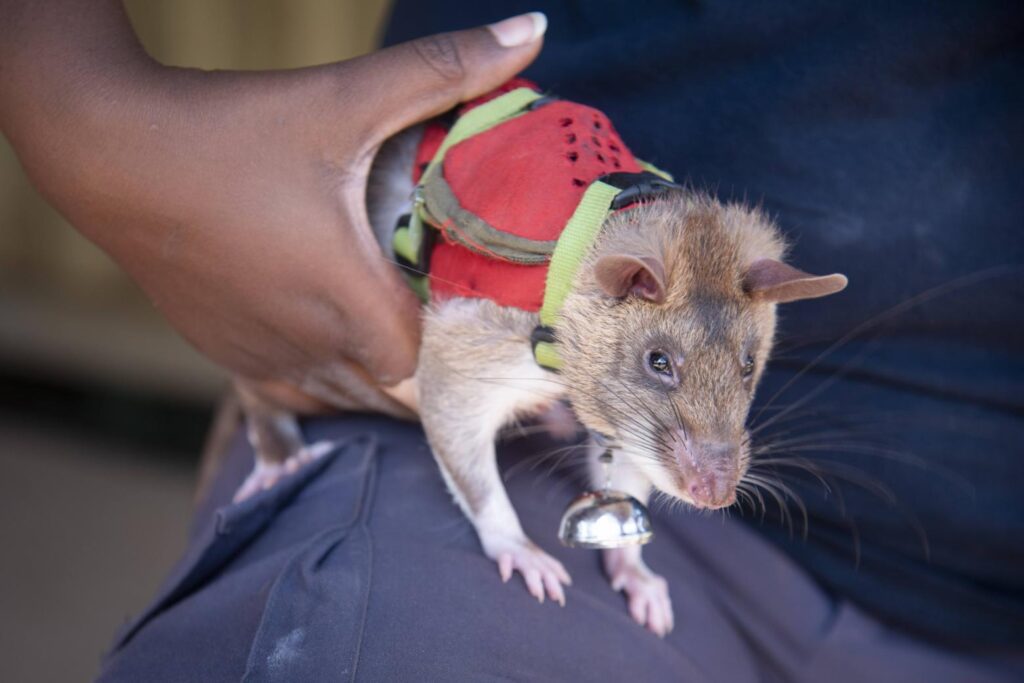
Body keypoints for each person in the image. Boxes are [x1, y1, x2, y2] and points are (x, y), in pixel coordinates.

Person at [2, 1, 1021, 681]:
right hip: (422, 421)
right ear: (625, 291)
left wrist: (626, 548)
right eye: (664, 361)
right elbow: (457, 394)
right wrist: (80, 111)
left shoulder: (680, 334)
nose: (717, 463)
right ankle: (279, 458)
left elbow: (629, 416)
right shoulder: (532, 304)